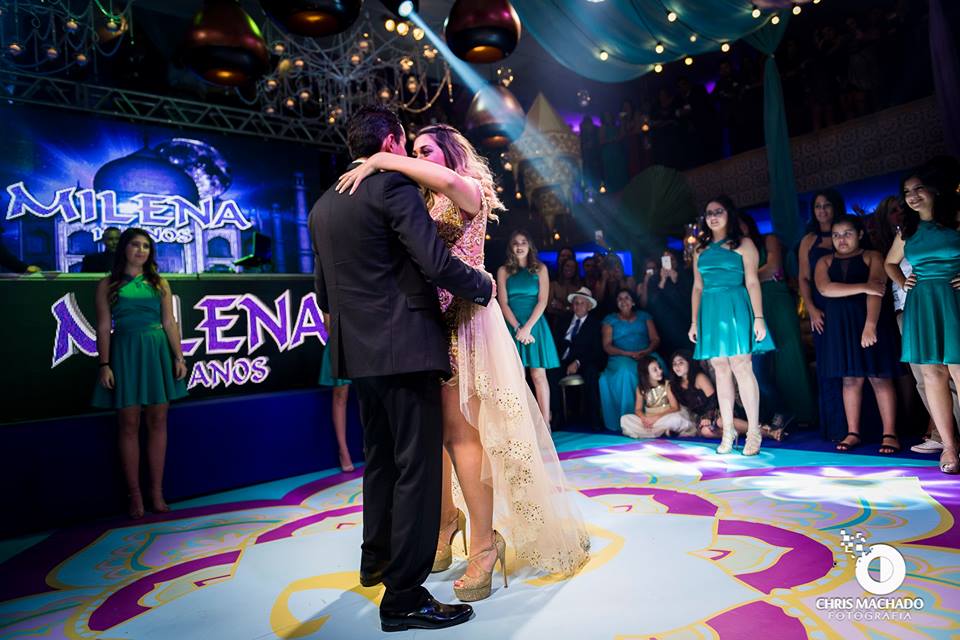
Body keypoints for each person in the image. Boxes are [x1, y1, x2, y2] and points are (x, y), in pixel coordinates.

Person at [335, 121, 589, 605]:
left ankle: (485, 546)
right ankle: (445, 523)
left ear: (450, 152)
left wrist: (383, 158)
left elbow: (449, 187)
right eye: (413, 151)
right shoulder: (423, 200)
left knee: (462, 435)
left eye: (426, 150)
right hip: (430, 324)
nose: (418, 158)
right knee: (433, 435)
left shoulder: (468, 188)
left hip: (468, 321)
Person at [311, 106, 491, 631]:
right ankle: (404, 597)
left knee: (381, 462)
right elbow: (433, 262)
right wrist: (482, 286)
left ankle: (377, 560)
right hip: (407, 345)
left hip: (358, 353)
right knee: (417, 468)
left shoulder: (323, 204)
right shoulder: (393, 187)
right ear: (391, 141)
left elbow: (323, 293)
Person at [91, 228, 188, 519]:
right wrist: (104, 364)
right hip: (125, 352)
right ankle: (135, 497)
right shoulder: (107, 284)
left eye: (146, 246)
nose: (141, 250)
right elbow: (103, 327)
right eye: (135, 244)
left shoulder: (160, 282)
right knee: (129, 423)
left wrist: (179, 357)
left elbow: (169, 322)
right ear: (124, 248)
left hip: (157, 351)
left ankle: (156, 493)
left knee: (158, 421)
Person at [885, 167, 960, 474]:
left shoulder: (956, 219)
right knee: (931, 374)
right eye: (907, 192)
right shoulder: (908, 230)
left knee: (958, 370)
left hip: (953, 298)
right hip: (922, 302)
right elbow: (890, 263)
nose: (912, 196)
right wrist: (903, 282)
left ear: (934, 189)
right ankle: (950, 446)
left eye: (918, 189)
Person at [690, 196, 774, 456]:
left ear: (729, 214)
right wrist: (693, 322)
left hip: (736, 305)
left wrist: (759, 317)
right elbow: (697, 287)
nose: (713, 217)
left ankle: (754, 432)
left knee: (742, 366)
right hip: (710, 309)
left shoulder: (744, 244)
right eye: (709, 213)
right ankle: (728, 431)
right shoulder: (699, 249)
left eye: (719, 211)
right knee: (720, 368)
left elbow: (752, 282)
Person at [815, 215, 901, 453]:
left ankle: (890, 433)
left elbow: (877, 290)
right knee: (850, 379)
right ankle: (853, 432)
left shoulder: (873, 256)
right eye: (836, 235)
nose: (841, 239)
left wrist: (870, 325)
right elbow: (825, 289)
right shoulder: (824, 261)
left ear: (860, 234)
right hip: (839, 327)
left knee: (879, 377)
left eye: (847, 233)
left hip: (869, 321)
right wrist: (864, 286)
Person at [740, 213, 813, 427]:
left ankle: (804, 414)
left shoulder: (768, 239)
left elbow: (773, 267)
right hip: (753, 306)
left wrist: (743, 280)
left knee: (789, 355)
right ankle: (778, 412)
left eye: (739, 223)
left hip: (777, 301)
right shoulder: (735, 250)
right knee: (760, 364)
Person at [798, 189, 849, 440]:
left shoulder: (848, 232)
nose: (822, 210)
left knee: (852, 365)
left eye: (827, 205)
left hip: (850, 305)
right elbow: (803, 278)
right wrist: (811, 308)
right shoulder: (809, 240)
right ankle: (836, 428)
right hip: (821, 308)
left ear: (835, 207)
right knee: (828, 367)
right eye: (817, 206)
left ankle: (859, 427)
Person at [498, 230, 560, 426]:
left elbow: (543, 301)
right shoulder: (503, 271)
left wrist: (527, 328)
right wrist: (518, 328)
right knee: (516, 376)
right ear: (511, 247)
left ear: (530, 245)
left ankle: (545, 423)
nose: (519, 246)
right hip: (512, 326)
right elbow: (503, 303)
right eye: (515, 243)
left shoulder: (540, 269)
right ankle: (521, 425)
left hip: (535, 325)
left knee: (538, 375)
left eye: (523, 242)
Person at [669, 351, 787, 441]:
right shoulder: (675, 385)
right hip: (703, 418)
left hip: (718, 409)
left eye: (681, 363)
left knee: (722, 421)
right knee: (706, 432)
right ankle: (739, 431)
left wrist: (708, 416)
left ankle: (768, 433)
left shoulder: (699, 378)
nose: (677, 366)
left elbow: (713, 399)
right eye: (674, 364)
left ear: (689, 363)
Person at [599, 289, 661, 431]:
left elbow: (655, 339)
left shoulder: (644, 316)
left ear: (633, 301)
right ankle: (629, 419)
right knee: (627, 371)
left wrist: (646, 351)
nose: (623, 301)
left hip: (646, 352)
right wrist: (627, 353)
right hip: (620, 356)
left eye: (627, 297)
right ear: (616, 303)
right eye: (620, 298)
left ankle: (655, 416)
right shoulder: (610, 320)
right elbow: (607, 346)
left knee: (656, 366)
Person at [551, 286, 605, 430]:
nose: (578, 306)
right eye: (575, 303)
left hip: (584, 361)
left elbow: (596, 351)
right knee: (550, 373)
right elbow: (555, 343)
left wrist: (578, 362)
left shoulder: (595, 324)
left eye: (582, 303)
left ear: (589, 306)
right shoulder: (563, 320)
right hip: (562, 360)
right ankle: (556, 416)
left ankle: (594, 418)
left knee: (592, 373)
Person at [620, 355, 696, 439]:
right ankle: (660, 431)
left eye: (659, 367)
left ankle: (656, 431)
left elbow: (675, 407)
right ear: (646, 373)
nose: (660, 371)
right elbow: (638, 409)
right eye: (655, 370)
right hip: (650, 420)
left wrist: (656, 418)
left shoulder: (667, 385)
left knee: (676, 419)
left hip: (665, 417)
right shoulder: (640, 388)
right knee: (625, 419)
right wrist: (644, 419)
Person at [319, 312, 354, 472]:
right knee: (340, 396)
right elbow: (329, 326)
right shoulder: (327, 295)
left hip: (365, 341)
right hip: (339, 343)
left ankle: (372, 447)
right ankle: (343, 451)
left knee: (370, 395)